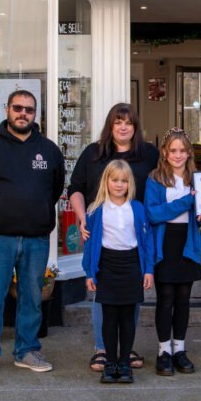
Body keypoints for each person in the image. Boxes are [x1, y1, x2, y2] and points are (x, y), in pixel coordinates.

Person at [0, 89, 65, 379]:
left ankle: (27, 350)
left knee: (32, 298)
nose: (23, 114)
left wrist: (36, 209)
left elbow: (55, 189)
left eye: (29, 110)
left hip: (36, 238)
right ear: (7, 109)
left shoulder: (50, 150)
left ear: (36, 114)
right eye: (17, 108)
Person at [68, 103, 159, 372]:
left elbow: (165, 183)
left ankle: (126, 348)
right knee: (101, 294)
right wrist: (83, 217)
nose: (123, 127)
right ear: (110, 125)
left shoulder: (149, 154)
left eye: (128, 123)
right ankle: (102, 348)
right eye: (118, 122)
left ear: (135, 127)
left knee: (130, 294)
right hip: (101, 233)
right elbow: (76, 188)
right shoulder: (94, 154)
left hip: (134, 238)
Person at [145, 128, 201, 376]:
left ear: (189, 153)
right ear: (164, 152)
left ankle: (180, 349)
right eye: (173, 150)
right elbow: (153, 214)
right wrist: (187, 201)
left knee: (184, 299)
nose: (177, 155)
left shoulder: (196, 179)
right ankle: (164, 351)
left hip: (188, 243)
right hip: (165, 245)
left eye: (182, 150)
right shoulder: (155, 179)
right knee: (165, 299)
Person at [81, 160, 155, 383]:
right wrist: (89, 273)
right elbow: (90, 245)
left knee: (127, 318)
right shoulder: (96, 210)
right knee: (109, 317)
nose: (119, 185)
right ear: (107, 181)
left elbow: (147, 240)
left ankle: (124, 363)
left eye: (124, 181)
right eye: (115, 180)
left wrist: (148, 270)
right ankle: (110, 362)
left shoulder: (138, 208)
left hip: (131, 264)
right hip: (107, 265)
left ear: (129, 183)